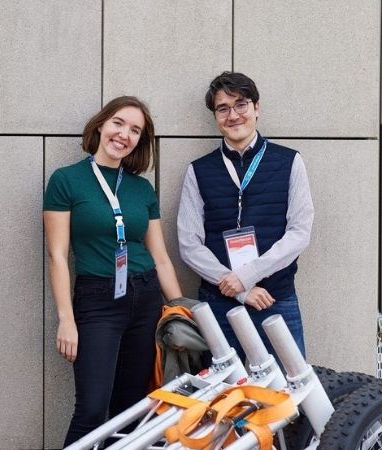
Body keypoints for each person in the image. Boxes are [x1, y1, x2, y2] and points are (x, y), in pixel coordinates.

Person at [44, 96, 184, 446]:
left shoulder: (141, 188)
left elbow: (161, 257)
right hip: (97, 301)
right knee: (91, 410)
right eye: (119, 123)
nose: (124, 134)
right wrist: (66, 319)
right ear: (101, 125)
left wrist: (181, 308)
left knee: (132, 409)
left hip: (145, 298)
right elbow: (57, 256)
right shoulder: (66, 180)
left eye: (135, 130)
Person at [177, 71, 314, 366]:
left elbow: (299, 233)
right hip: (219, 304)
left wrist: (247, 275)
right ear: (215, 116)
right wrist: (242, 290)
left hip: (276, 299)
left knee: (288, 397)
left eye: (241, 104)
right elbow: (189, 244)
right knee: (225, 398)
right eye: (223, 108)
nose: (233, 115)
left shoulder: (289, 161)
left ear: (256, 108)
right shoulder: (198, 170)